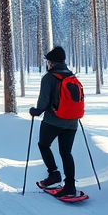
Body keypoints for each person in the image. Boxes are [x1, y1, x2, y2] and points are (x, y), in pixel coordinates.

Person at [29, 46, 80, 197]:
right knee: (66, 153)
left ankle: (54, 174)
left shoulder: (49, 78)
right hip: (72, 122)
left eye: (47, 61)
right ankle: (70, 185)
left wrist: (36, 111)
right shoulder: (71, 76)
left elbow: (43, 102)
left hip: (54, 121)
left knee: (43, 145)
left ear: (51, 62)